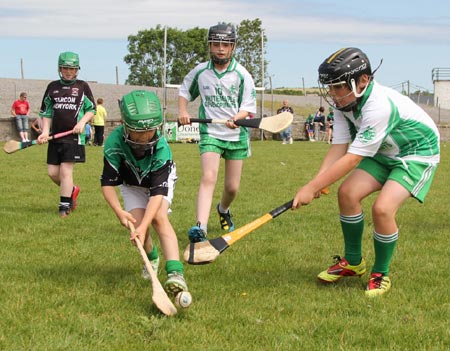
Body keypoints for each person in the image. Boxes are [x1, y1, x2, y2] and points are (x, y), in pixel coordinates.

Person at [292, 47, 440, 297]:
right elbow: (339, 146)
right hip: (384, 152)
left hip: (416, 154)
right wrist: (317, 182)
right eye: (329, 87)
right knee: (347, 193)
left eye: (337, 86)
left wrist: (311, 188)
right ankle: (353, 262)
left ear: (362, 81)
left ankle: (380, 272)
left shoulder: (378, 105)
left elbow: (352, 159)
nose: (332, 93)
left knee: (382, 209)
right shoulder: (343, 105)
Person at [101, 90, 188, 295]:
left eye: (150, 131)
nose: (144, 137)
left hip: (158, 183)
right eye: (138, 132)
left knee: (158, 217)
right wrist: (119, 212)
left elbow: (157, 195)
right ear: (124, 125)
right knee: (139, 227)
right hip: (131, 184)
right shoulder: (113, 144)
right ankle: (152, 258)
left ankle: (175, 273)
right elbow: (107, 184)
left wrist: (145, 223)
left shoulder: (162, 149)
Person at [178, 23, 257, 243]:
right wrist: (183, 111)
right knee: (208, 177)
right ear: (210, 46)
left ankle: (223, 209)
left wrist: (238, 118)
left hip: (236, 136)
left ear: (233, 47)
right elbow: (184, 91)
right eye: (216, 44)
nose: (220, 49)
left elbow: (248, 107)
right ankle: (200, 227)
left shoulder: (242, 75)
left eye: (225, 44)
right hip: (210, 132)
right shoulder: (201, 72)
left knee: (232, 187)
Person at [37, 51, 96, 218]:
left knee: (65, 171)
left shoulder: (82, 86)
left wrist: (82, 122)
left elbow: (92, 109)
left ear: (77, 69)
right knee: (52, 173)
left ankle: (64, 207)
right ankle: (72, 190)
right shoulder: (52, 87)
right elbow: (46, 112)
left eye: (72, 68)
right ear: (59, 68)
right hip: (55, 137)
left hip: (74, 137)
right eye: (65, 68)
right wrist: (45, 132)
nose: (69, 72)